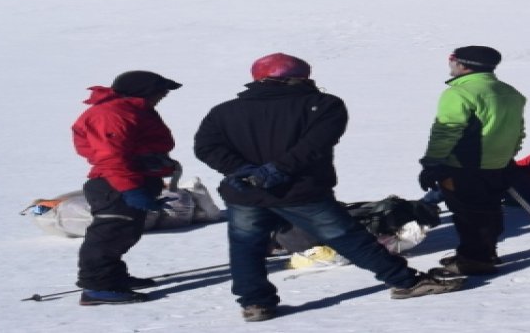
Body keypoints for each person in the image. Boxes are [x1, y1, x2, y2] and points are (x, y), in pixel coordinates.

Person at [194, 53, 461, 322]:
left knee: (246, 248)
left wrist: (242, 170)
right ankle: (406, 282)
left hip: (246, 193)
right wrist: (275, 170)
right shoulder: (324, 105)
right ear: (298, 76)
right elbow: (314, 145)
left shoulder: (224, 111)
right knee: (348, 237)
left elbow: (206, 147)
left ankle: (255, 304)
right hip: (300, 192)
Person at [71, 70, 183, 306]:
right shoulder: (112, 114)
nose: (163, 96)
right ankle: (97, 287)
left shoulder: (132, 109)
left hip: (131, 179)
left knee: (124, 234)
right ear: (143, 91)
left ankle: (113, 277)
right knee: (108, 235)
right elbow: (112, 156)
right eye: (160, 91)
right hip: (115, 184)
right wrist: (130, 189)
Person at [417, 45, 527, 275]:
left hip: (465, 165)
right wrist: (508, 156)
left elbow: (447, 131)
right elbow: (518, 130)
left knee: (468, 214)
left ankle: (475, 259)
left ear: (463, 65)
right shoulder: (509, 91)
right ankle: (485, 252)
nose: (450, 63)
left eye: (452, 59)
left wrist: (432, 162)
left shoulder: (459, 93)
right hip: (499, 163)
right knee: (490, 209)